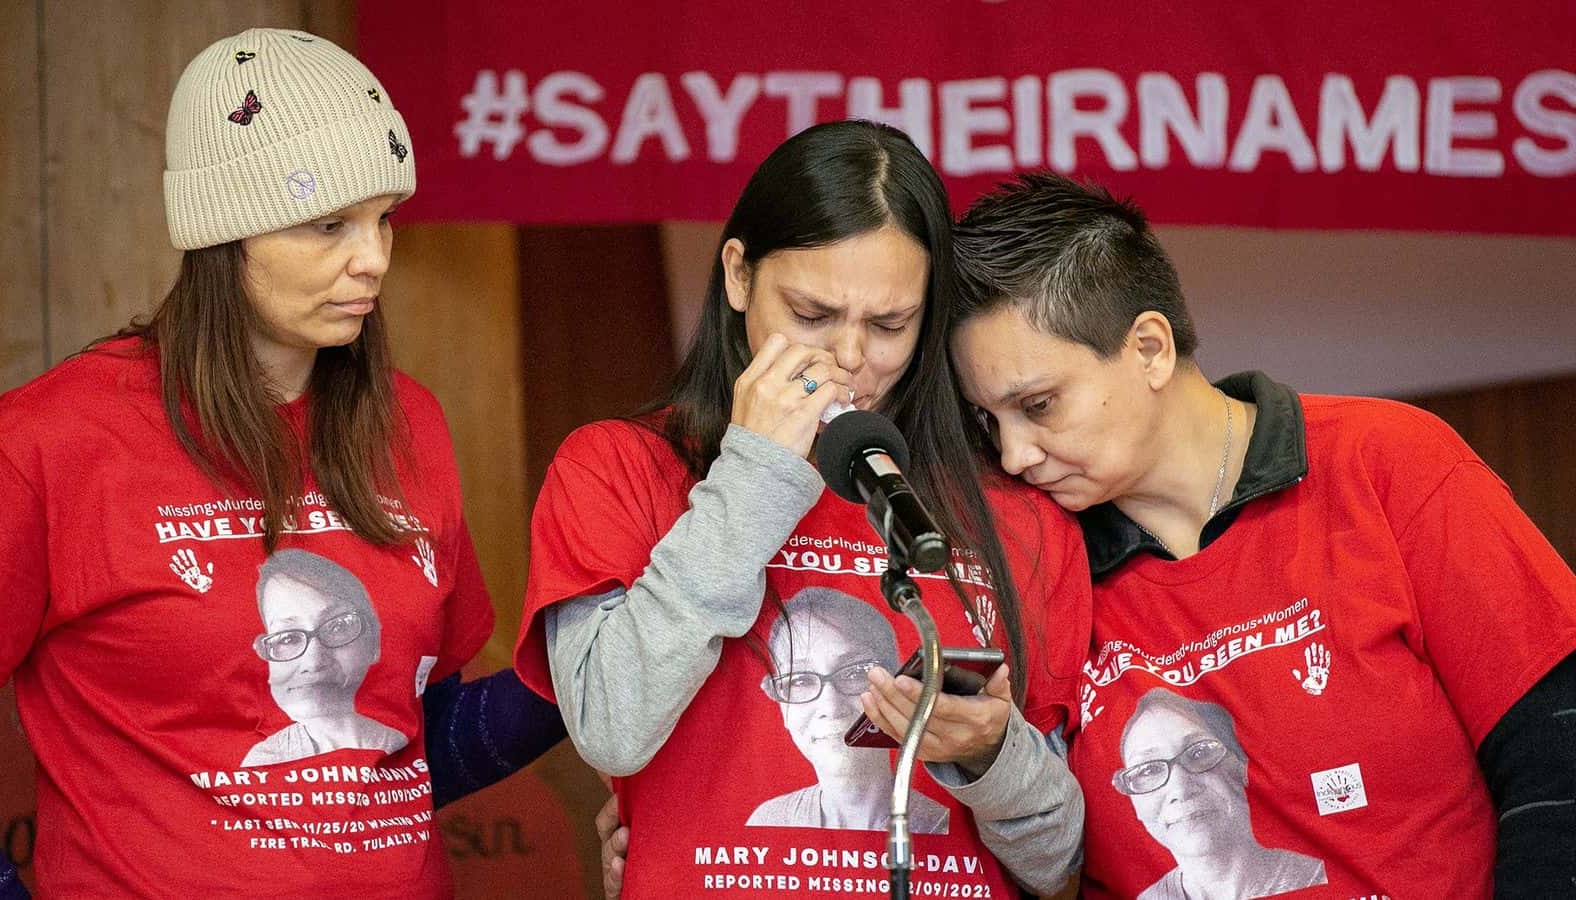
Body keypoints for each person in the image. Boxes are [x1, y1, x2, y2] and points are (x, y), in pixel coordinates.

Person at [0, 28, 565, 898]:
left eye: (382, 219)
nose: (372, 259)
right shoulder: (50, 441)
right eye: (329, 223)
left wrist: (607, 655)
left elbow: (414, 740)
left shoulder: (411, 421)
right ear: (226, 232)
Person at [949, 171, 1576, 897]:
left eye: (1040, 405)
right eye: (990, 422)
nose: (1014, 455)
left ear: (1149, 349)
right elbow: (1041, 858)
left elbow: (1556, 755)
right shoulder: (1036, 566)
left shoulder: (1387, 461)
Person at [514, 120, 1090, 899]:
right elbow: (612, 727)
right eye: (812, 315)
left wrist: (997, 760)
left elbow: (1065, 866)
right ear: (738, 276)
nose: (850, 358)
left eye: (890, 325)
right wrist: (753, 478)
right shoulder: (619, 468)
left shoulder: (1016, 513)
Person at [746, 586, 949, 833]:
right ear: (781, 705)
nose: (831, 707)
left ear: (895, 683)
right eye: (799, 681)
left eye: (855, 673)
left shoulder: (941, 827)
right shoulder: (769, 822)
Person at [1114, 690, 1325, 899]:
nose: (1180, 788)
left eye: (1199, 752)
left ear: (1242, 766)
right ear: (1134, 803)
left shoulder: (1317, 878)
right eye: (1148, 770)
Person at [244, 549, 409, 766]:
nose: (314, 662)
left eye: (338, 627)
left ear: (374, 639)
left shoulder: (396, 743)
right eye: (287, 639)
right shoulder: (264, 761)